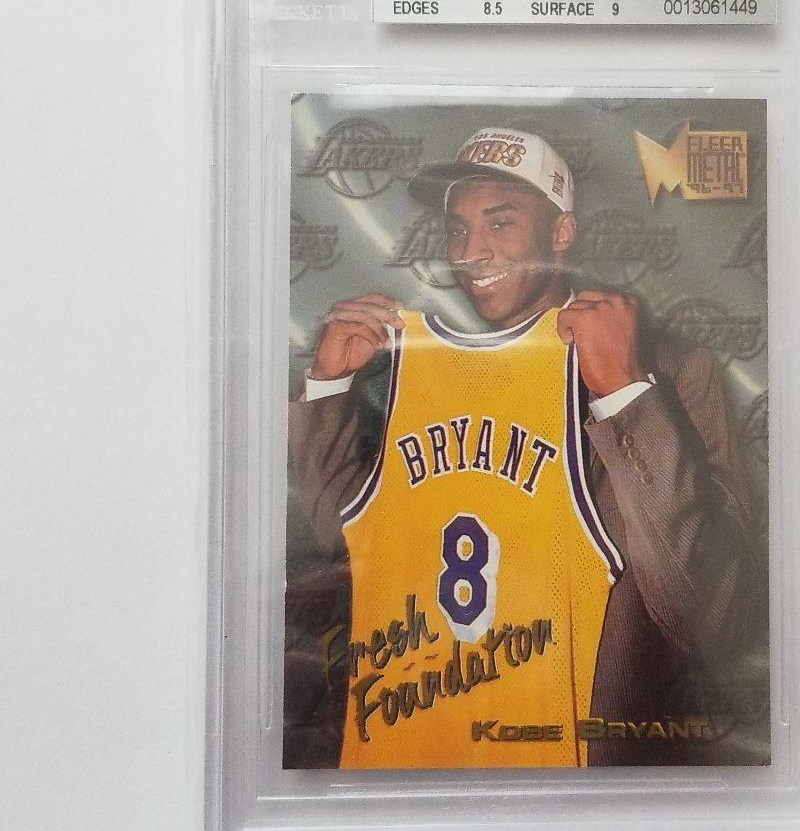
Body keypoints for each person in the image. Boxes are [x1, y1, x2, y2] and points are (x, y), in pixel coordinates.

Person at [287, 126, 765, 767]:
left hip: (573, 770)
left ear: (561, 233)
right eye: (458, 230)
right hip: (415, 757)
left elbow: (720, 620)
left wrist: (628, 396)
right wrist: (328, 387)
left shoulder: (672, 369)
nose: (471, 253)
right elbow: (347, 546)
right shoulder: (401, 364)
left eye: (500, 223)